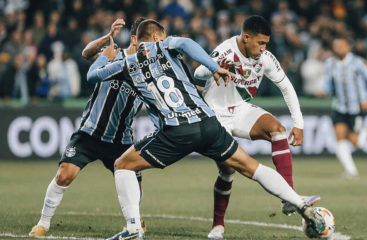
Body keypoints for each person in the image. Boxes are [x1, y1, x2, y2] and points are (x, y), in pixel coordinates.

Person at [87, 19, 326, 240]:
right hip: (208, 121)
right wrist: (213, 67)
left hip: (177, 130)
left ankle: (132, 228)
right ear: (159, 36)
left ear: (139, 40)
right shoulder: (169, 46)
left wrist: (104, 57)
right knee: (251, 166)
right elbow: (188, 45)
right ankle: (299, 203)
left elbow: (92, 76)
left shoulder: (126, 63)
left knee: (123, 164)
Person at [193, 15, 320, 239]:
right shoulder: (225, 50)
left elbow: (287, 88)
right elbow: (198, 75)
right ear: (246, 37)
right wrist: (214, 66)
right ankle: (218, 226)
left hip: (241, 109)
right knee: (228, 170)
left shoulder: (266, 58)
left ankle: (288, 199)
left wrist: (298, 124)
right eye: (260, 43)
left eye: (266, 44)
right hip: (216, 115)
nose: (263, 48)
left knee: (277, 128)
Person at [29, 18, 148, 237]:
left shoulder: (149, 72)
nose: (152, 46)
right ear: (135, 39)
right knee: (65, 174)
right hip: (90, 132)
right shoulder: (113, 53)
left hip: (120, 140)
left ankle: (135, 219)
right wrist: (107, 37)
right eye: (148, 40)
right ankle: (43, 223)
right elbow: (86, 54)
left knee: (134, 185)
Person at [319, 38, 367, 179]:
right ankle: (351, 171)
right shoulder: (330, 64)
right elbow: (328, 83)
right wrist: (323, 90)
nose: (338, 48)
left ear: (348, 47)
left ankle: (366, 132)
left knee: (356, 142)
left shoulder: (358, 62)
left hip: (356, 107)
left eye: (341, 45)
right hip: (339, 106)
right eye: (336, 46)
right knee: (339, 138)